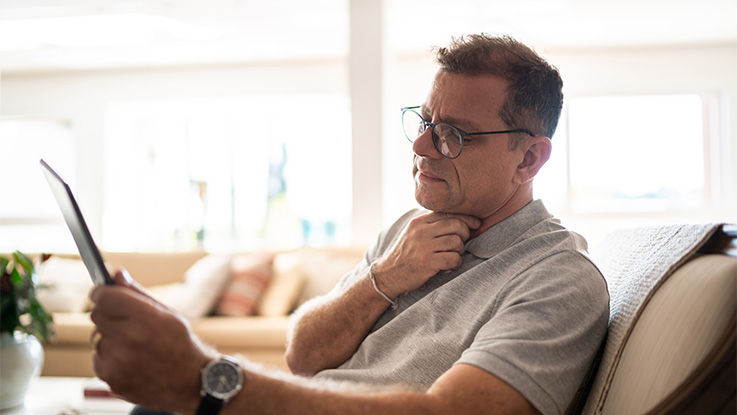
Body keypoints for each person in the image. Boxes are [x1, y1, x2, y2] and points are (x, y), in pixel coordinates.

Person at [90, 34, 609, 415]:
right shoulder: (410, 228)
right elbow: (303, 354)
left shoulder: (559, 279)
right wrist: (384, 277)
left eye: (454, 134)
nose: (421, 147)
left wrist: (207, 379)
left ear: (529, 160)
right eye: (426, 122)